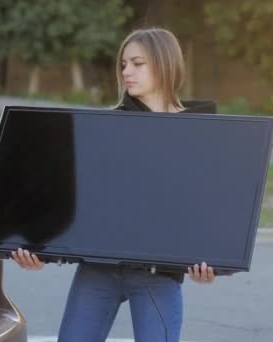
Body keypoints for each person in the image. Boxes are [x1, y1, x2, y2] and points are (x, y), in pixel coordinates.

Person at [12, 27, 220, 342]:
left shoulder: (200, 132)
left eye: (137, 63)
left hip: (157, 277)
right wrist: (41, 251)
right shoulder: (104, 128)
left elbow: (203, 205)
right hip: (97, 273)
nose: (126, 72)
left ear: (164, 64)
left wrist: (209, 261)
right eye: (123, 64)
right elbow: (74, 200)